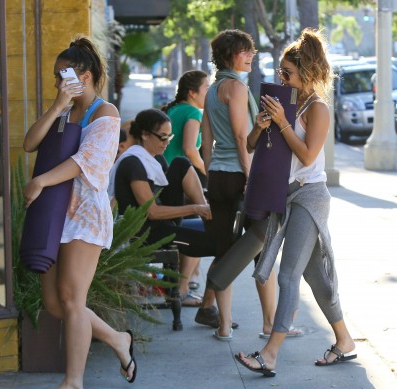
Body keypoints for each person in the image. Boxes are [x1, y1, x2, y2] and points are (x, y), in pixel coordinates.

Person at [235, 28, 356, 376]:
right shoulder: (284, 103)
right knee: (317, 278)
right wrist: (261, 125)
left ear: (307, 73)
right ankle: (344, 341)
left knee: (287, 275)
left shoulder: (317, 108)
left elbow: (306, 156)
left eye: (287, 73)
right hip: (284, 196)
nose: (281, 78)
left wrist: (285, 123)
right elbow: (255, 147)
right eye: (279, 72)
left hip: (310, 196)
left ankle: (270, 354)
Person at [24, 36, 136, 389]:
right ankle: (119, 340)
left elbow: (89, 163)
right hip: (55, 213)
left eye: (63, 75)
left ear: (84, 75)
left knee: (72, 299)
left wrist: (41, 180)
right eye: (56, 76)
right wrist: (58, 105)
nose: (57, 82)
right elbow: (29, 143)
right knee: (56, 304)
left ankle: (73, 385)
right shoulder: (65, 108)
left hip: (84, 216)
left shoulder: (106, 114)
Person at [199, 29, 278, 339]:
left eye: (252, 51)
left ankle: (223, 326)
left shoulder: (212, 88)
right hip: (240, 177)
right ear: (230, 55)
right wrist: (250, 178)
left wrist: (209, 173)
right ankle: (270, 325)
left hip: (218, 176)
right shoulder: (237, 88)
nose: (251, 55)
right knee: (262, 249)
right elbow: (242, 138)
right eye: (245, 51)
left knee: (224, 251)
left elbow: (206, 140)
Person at [109, 108, 215, 306]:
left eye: (170, 137)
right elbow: (153, 212)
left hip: (158, 225)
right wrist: (195, 209)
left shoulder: (154, 158)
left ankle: (208, 216)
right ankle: (197, 300)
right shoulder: (133, 162)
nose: (167, 143)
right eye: (163, 137)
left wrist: (201, 208)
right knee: (219, 245)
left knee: (181, 163)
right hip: (141, 232)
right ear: (145, 134)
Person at [160, 70, 210, 295]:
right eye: (206, 88)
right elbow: (191, 149)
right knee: (195, 234)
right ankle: (182, 288)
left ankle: (183, 283)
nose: (208, 93)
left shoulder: (173, 109)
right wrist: (207, 170)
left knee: (183, 233)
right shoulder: (192, 112)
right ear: (192, 92)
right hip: (181, 180)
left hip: (164, 179)